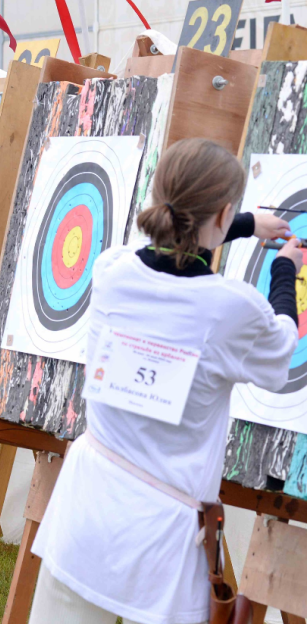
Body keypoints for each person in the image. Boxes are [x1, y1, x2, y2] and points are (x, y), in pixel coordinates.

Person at [27, 138, 301, 624]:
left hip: (83, 516)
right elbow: (280, 351)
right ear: (221, 212)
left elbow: (160, 248)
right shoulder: (231, 309)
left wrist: (239, 224)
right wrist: (285, 269)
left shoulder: (112, 271)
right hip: (159, 541)